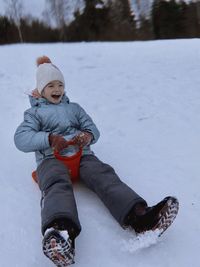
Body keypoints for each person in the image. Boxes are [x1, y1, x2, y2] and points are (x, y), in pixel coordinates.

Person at [14, 56, 179, 267]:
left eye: (60, 84)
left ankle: (141, 217)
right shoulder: (34, 113)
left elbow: (92, 128)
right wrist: (49, 138)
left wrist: (88, 136)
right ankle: (61, 233)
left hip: (82, 156)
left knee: (104, 176)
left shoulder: (74, 108)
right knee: (56, 185)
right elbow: (21, 139)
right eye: (51, 85)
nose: (57, 89)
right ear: (41, 89)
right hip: (50, 159)